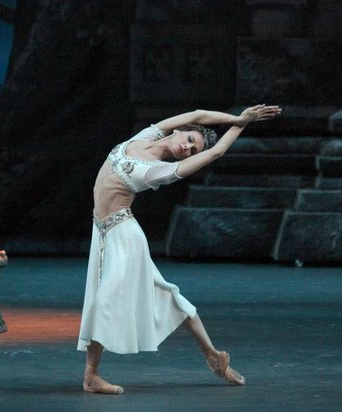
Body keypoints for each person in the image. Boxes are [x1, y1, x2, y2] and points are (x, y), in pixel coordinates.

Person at [77, 104, 282, 394]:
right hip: (103, 231)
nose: (187, 148)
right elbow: (197, 115)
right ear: (178, 131)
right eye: (189, 140)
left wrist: (242, 126)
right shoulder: (145, 136)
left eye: (192, 150)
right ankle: (213, 356)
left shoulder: (159, 171)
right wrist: (237, 116)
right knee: (166, 296)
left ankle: (91, 375)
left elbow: (216, 152)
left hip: (124, 235)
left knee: (104, 299)